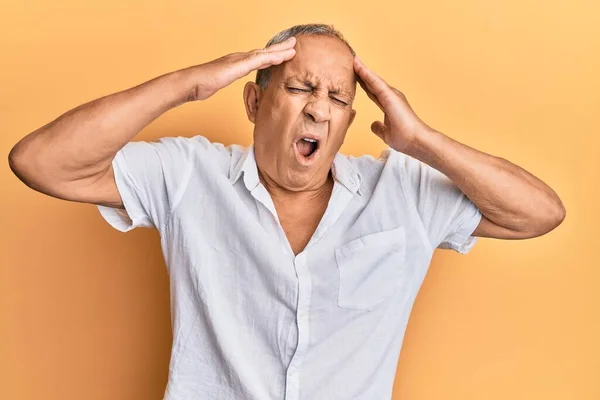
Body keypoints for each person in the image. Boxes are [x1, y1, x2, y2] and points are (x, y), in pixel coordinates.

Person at [9, 23, 565, 400]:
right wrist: (189, 85)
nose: (320, 109)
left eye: (339, 99)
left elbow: (538, 213)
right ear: (254, 104)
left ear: (349, 122)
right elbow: (40, 162)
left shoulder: (404, 193)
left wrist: (420, 140)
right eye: (300, 87)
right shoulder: (188, 176)